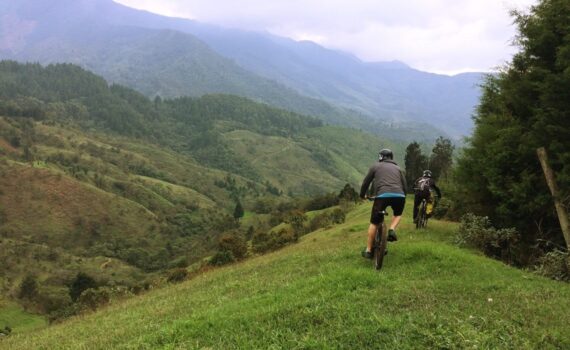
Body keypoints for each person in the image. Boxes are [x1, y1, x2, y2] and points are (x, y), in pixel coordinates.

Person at [359, 148, 407, 259]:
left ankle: (368, 250)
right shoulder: (399, 168)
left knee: (374, 223)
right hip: (399, 196)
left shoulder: (375, 166)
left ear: (381, 157)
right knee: (397, 214)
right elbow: (405, 185)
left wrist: (362, 195)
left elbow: (366, 182)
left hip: (382, 196)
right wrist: (403, 196)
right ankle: (392, 229)